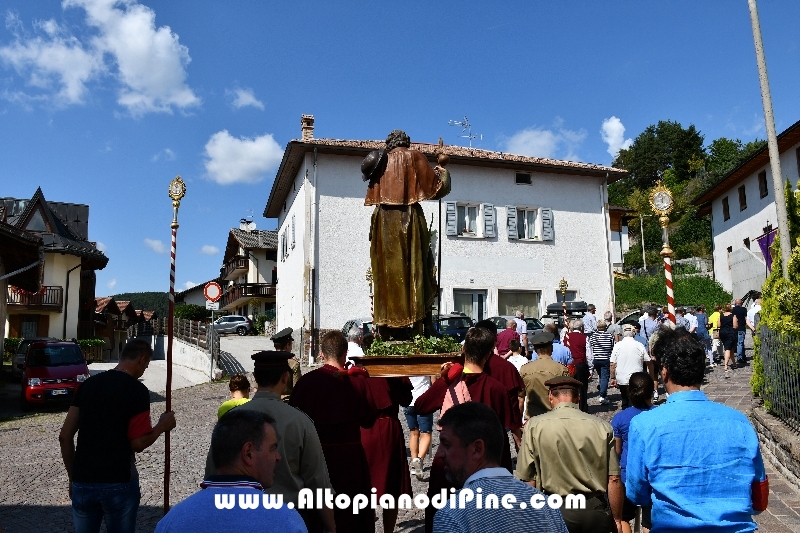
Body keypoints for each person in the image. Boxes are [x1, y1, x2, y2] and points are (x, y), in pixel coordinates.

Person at [626, 328, 769, 531]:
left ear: (664, 371)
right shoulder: (740, 423)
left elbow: (636, 492)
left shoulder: (644, 425)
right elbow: (759, 496)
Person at [205, 351, 335, 533]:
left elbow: (212, 473)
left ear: (255, 377)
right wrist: (331, 527)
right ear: (285, 377)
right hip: (290, 518)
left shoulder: (231, 419)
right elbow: (318, 482)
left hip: (237, 515)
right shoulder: (300, 421)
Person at [59, 339, 176, 533]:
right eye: (146, 366)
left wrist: (73, 478)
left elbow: (65, 436)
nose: (144, 370)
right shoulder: (136, 390)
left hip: (83, 481)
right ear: (142, 359)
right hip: (118, 481)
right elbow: (138, 443)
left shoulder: (88, 385)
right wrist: (161, 426)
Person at [415, 326, 516, 533]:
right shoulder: (497, 388)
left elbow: (421, 406)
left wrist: (442, 379)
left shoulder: (449, 383)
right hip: (484, 464)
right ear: (489, 354)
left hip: (449, 461)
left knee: (442, 514)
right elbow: (503, 432)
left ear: (463, 350)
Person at [156, 410, 306, 533]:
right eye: (273, 448)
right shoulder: (285, 520)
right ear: (248, 453)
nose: (278, 457)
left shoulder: (172, 521)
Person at [433, 402, 569, 533]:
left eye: (446, 444)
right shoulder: (546, 505)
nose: (439, 453)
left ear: (477, 449)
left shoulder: (451, 515)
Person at [290, 331, 378, 533]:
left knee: (321, 514)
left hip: (317, 459)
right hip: (351, 459)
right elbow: (369, 420)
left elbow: (296, 420)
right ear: (345, 353)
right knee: (353, 514)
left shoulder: (308, 382)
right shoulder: (357, 381)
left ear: (321, 354)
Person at [365, 129, 449, 337]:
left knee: (385, 275)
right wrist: (442, 167)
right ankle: (423, 327)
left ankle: (385, 328)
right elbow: (436, 189)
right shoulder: (413, 156)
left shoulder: (380, 161)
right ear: (406, 142)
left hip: (381, 221)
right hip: (408, 218)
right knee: (418, 269)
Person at [516, 376, 623, 533]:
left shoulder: (534, 426)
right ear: (578, 398)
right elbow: (613, 479)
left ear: (550, 396)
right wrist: (617, 520)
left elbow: (528, 479)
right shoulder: (602, 427)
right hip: (594, 510)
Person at [360, 376, 413, 533]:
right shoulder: (392, 372)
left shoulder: (358, 372)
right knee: (390, 487)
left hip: (365, 430)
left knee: (368, 486)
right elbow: (406, 398)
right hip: (387, 429)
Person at [610, 372, 654, 533]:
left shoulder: (620, 418)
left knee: (623, 518)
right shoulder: (659, 414)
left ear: (630, 392)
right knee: (649, 523)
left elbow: (617, 450)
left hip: (626, 475)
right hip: (652, 475)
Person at [474, 319, 525, 445]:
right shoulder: (506, 367)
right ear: (494, 340)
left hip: (471, 433)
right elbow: (515, 402)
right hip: (497, 433)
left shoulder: (463, 365)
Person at [519, 332, 570, 419]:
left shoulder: (525, 369)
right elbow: (567, 399)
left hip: (533, 418)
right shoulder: (561, 369)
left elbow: (520, 399)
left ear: (535, 349)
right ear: (552, 348)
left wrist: (518, 424)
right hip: (555, 418)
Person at [610, 325, 653, 409]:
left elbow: (612, 364)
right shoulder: (639, 345)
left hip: (622, 378)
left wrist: (613, 377)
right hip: (636, 378)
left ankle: (625, 415)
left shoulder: (617, 345)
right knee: (637, 401)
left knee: (625, 399)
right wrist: (650, 375)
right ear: (634, 333)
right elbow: (648, 361)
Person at [405, 375, 434, 480]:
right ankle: (420, 460)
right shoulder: (426, 362)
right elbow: (433, 381)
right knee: (426, 434)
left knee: (413, 433)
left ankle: (414, 462)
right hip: (423, 399)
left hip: (409, 399)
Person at [564, 320, 592, 413]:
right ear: (581, 328)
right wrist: (591, 368)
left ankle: (571, 407)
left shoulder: (566, 337)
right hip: (580, 364)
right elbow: (589, 354)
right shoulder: (584, 338)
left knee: (571, 387)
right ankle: (583, 408)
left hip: (569, 365)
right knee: (582, 388)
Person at [271, 327, 302, 401]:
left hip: (268, 403)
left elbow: (256, 389)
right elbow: (297, 391)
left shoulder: (266, 361)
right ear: (287, 345)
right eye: (291, 345)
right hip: (286, 404)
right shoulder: (293, 364)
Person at [589, 320, 615, 405]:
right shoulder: (609, 336)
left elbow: (591, 346)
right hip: (606, 358)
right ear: (605, 327)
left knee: (601, 376)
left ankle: (603, 391)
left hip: (596, 359)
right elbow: (612, 347)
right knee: (604, 377)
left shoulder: (593, 336)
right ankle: (602, 395)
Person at [719, 303, 738, 374]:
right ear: (731, 308)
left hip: (722, 332)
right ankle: (726, 365)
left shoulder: (721, 315)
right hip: (730, 333)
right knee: (727, 348)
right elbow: (735, 326)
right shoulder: (733, 316)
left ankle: (734, 363)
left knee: (730, 348)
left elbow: (719, 325)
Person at [732, 298, 748, 365]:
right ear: (741, 303)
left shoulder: (732, 310)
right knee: (740, 343)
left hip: (734, 328)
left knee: (738, 343)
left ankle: (743, 355)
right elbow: (746, 318)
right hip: (741, 327)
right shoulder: (744, 309)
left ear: (735, 303)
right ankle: (739, 357)